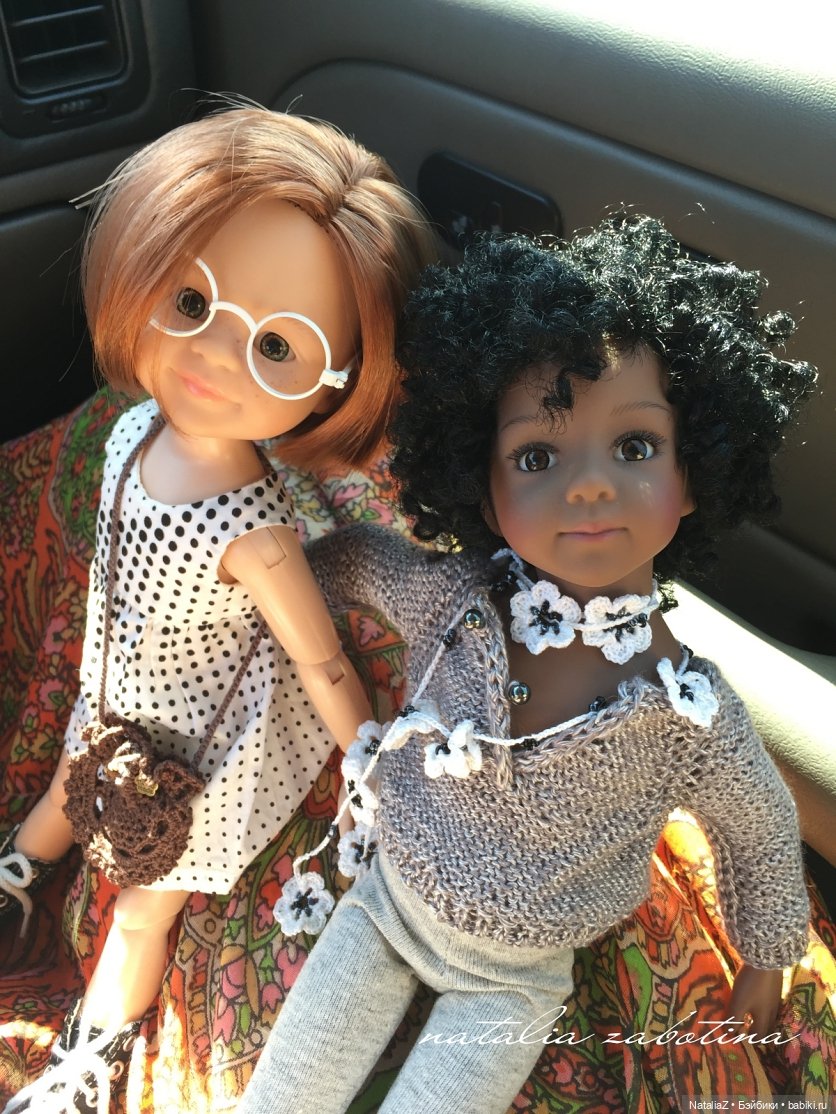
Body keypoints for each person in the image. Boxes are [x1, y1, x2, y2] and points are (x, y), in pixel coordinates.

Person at [238, 216, 816, 1114]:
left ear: (695, 473)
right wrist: (260, 583)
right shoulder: (453, 599)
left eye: (635, 447)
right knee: (284, 1093)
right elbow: (356, 562)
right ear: (484, 487)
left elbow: (762, 826)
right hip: (386, 904)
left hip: (515, 982)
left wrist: (767, 961)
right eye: (536, 456)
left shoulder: (689, 713)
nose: (588, 485)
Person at [0, 104, 436, 1112]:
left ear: (336, 388)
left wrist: (369, 758)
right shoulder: (131, 433)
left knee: (142, 908)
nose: (215, 354)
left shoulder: (255, 528)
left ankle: (89, 1057)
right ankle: (19, 868)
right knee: (65, 791)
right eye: (190, 300)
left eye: (278, 347)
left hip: (198, 746)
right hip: (114, 684)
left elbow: (322, 659)